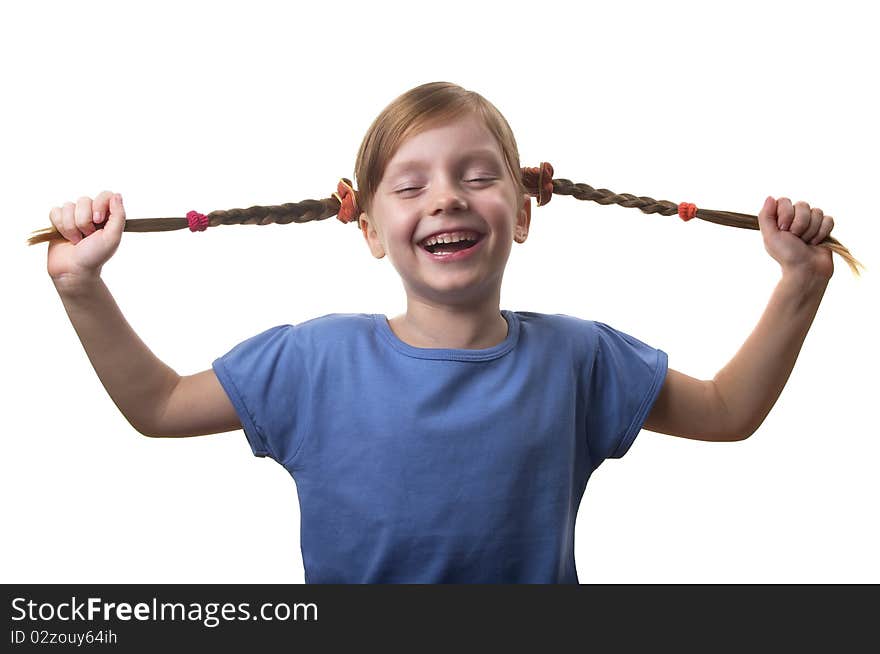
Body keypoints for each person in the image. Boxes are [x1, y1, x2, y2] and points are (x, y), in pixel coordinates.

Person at [46, 81, 835, 583]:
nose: (448, 198)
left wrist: (802, 283)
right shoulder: (315, 359)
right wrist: (81, 285)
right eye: (412, 184)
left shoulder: (578, 358)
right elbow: (157, 405)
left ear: (522, 212)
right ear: (370, 230)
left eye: (479, 176)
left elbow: (728, 411)